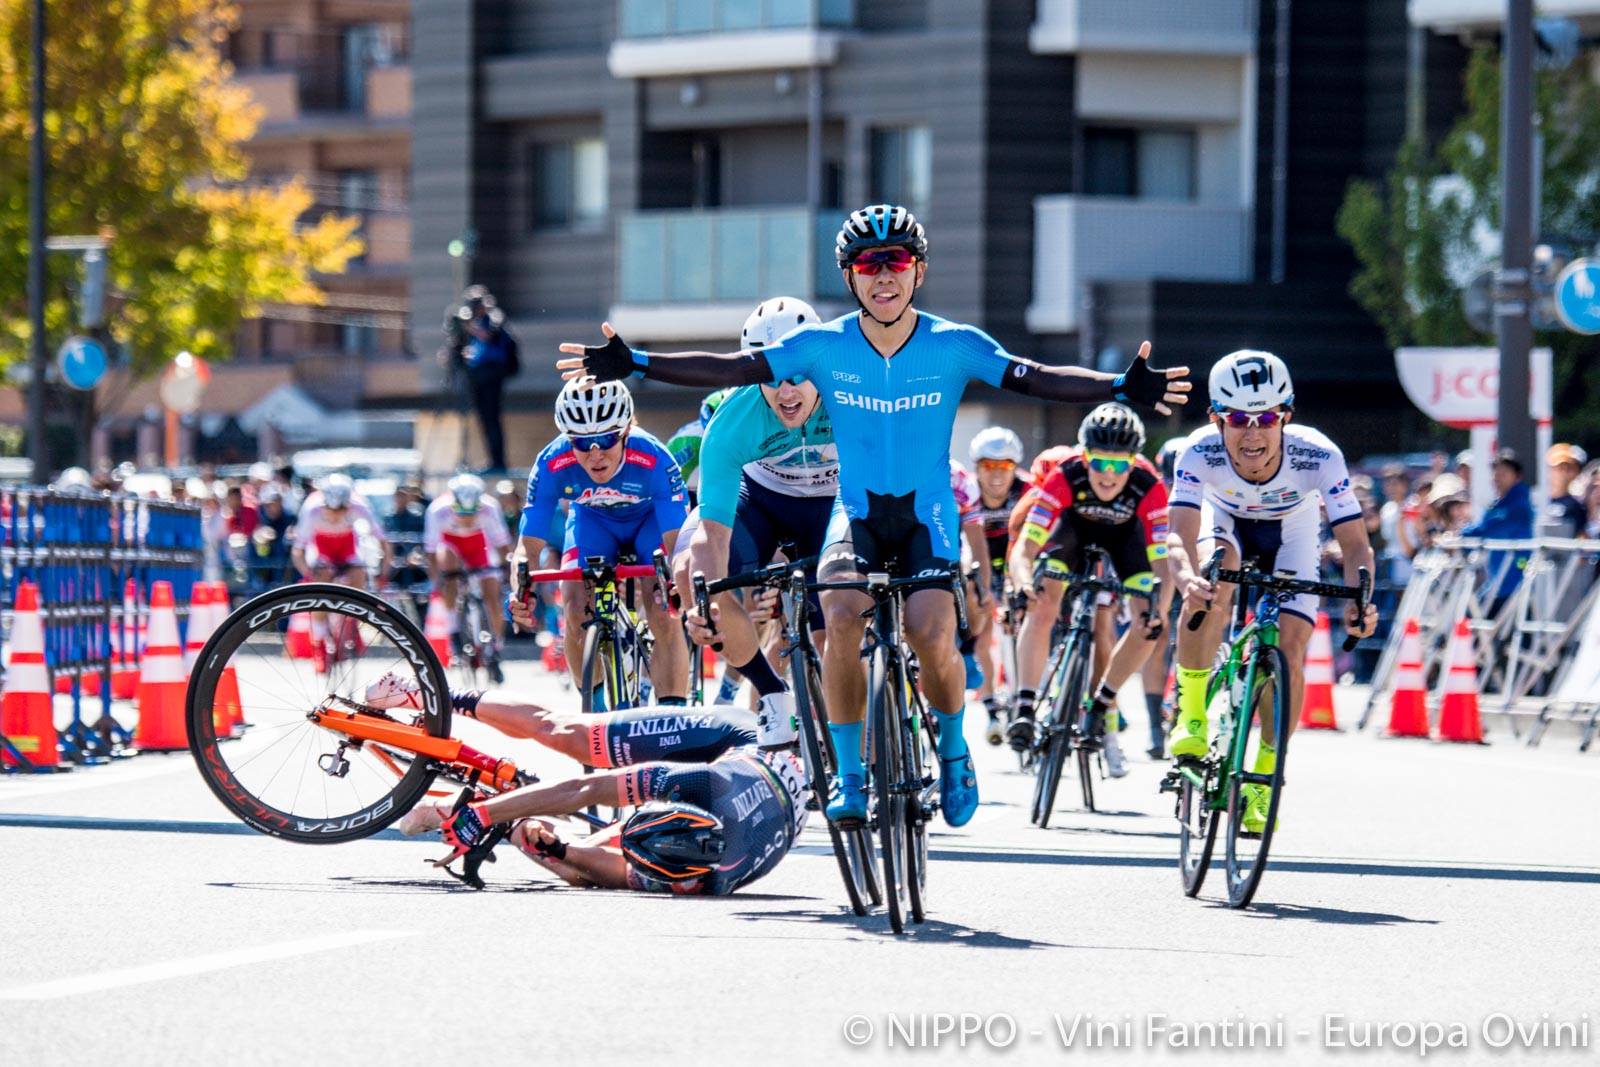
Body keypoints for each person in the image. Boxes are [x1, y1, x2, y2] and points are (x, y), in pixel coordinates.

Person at [557, 202, 1191, 830]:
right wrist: (635, 363)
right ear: (849, 275)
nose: (882, 274)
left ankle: (951, 744)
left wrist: (1117, 386)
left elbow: (1037, 377)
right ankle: (850, 777)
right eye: (867, 262)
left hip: (926, 515)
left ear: (918, 271)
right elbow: (731, 369)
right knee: (837, 617)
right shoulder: (820, 346)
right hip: (853, 513)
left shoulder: (954, 344)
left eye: (896, 261)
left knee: (930, 632)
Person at [1166, 351, 1377, 832]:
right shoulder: (1198, 451)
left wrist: (1362, 600)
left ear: (1287, 415)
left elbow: (1355, 544)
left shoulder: (1319, 455)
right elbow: (1178, 533)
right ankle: (1193, 713)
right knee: (1217, 571)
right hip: (1225, 526)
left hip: (1292, 532)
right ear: (1216, 419)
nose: (1253, 433)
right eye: (1238, 419)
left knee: (1291, 647)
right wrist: (1184, 575)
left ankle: (1264, 774)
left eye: (1267, 418)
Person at [367, 674, 809, 895]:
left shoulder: (696, 883)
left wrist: (536, 841)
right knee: (572, 737)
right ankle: (434, 696)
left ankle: (502, 810)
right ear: (678, 805)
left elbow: (588, 869)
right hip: (734, 736)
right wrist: (479, 817)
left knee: (575, 854)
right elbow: (583, 790)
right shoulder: (702, 783)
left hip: (759, 819)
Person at [672, 298, 836, 739]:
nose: (786, 392)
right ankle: (773, 694)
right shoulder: (732, 421)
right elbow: (711, 533)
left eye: (799, 375)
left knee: (833, 641)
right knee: (690, 568)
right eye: (770, 377)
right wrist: (702, 605)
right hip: (761, 500)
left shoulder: (847, 393)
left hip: (832, 505)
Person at [1005, 403, 1174, 778]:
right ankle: (1024, 706)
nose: (1109, 475)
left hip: (1127, 541)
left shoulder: (1149, 486)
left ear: (1135, 461)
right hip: (1073, 533)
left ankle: (1102, 703)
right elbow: (1026, 548)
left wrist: (1158, 609)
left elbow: (1162, 563)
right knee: (1043, 600)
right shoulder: (1065, 476)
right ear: (1085, 456)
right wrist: (1020, 581)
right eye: (1100, 463)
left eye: (1119, 464)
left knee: (1149, 620)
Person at [511, 377, 689, 702]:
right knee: (576, 605)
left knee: (663, 606)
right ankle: (593, 716)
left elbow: (678, 543)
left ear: (624, 432)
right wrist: (521, 588)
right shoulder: (552, 462)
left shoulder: (655, 459)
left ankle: (672, 716)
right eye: (581, 443)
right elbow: (528, 546)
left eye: (606, 439)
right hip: (594, 523)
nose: (595, 455)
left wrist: (676, 582)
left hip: (650, 524)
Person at [967, 427, 1029, 743]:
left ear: (1014, 468)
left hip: (1015, 555)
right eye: (987, 466)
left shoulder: (1026, 490)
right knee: (983, 621)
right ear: (976, 468)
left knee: (1023, 618)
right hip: (980, 558)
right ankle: (991, 705)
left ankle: (1025, 692)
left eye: (1003, 467)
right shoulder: (968, 492)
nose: (995, 475)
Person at [425, 473, 513, 680]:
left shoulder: (490, 508)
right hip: (451, 545)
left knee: (492, 595)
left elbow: (502, 546)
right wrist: (437, 580)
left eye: (471, 514)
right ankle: (454, 633)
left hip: (479, 546)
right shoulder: (438, 510)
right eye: (461, 514)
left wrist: (507, 572)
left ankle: (496, 648)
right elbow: (430, 552)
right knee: (450, 577)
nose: (466, 519)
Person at [442, 286, 519, 473]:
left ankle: (498, 461)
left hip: (492, 376)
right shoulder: (470, 323)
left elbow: (492, 335)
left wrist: (472, 327)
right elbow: (458, 346)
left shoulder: (494, 319)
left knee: (492, 419)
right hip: (476, 378)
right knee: (483, 419)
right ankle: (491, 460)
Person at [1460, 448, 1533, 616]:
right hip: (1497, 582)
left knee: (1476, 622)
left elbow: (1488, 528)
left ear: (1517, 476)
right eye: (1496, 473)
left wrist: (1461, 536)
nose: (1497, 478)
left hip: (1512, 581)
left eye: (1504, 473)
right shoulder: (1499, 504)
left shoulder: (1519, 506)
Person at [1542, 444, 1587, 540]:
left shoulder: (1577, 507)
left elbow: (1581, 536)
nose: (1564, 473)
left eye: (1569, 468)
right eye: (1560, 468)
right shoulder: (1536, 501)